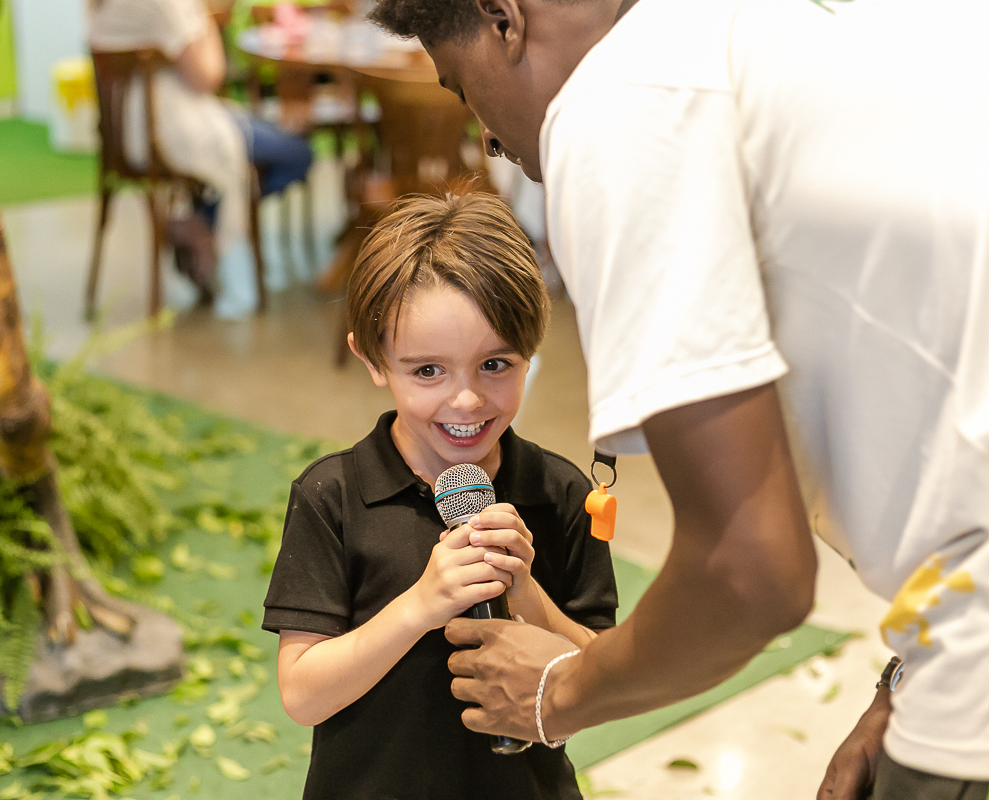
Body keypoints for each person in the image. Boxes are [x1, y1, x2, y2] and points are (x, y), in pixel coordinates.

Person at [367, 0, 989, 798]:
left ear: (503, 19)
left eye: (463, 92)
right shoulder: (796, 30)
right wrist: (905, 681)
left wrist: (555, 693)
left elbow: (749, 572)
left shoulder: (619, 104)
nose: (492, 141)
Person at [262, 193, 618, 799]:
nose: (467, 401)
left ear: (532, 352)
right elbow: (302, 693)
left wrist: (525, 593)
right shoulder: (333, 497)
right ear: (373, 359)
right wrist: (422, 603)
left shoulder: (558, 493)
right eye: (428, 371)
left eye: (496, 364)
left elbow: (603, 679)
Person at [88, 0, 313, 317]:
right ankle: (202, 224)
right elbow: (208, 75)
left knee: (268, 139)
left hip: (126, 134)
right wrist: (204, 15)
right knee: (297, 153)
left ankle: (201, 222)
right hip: (174, 131)